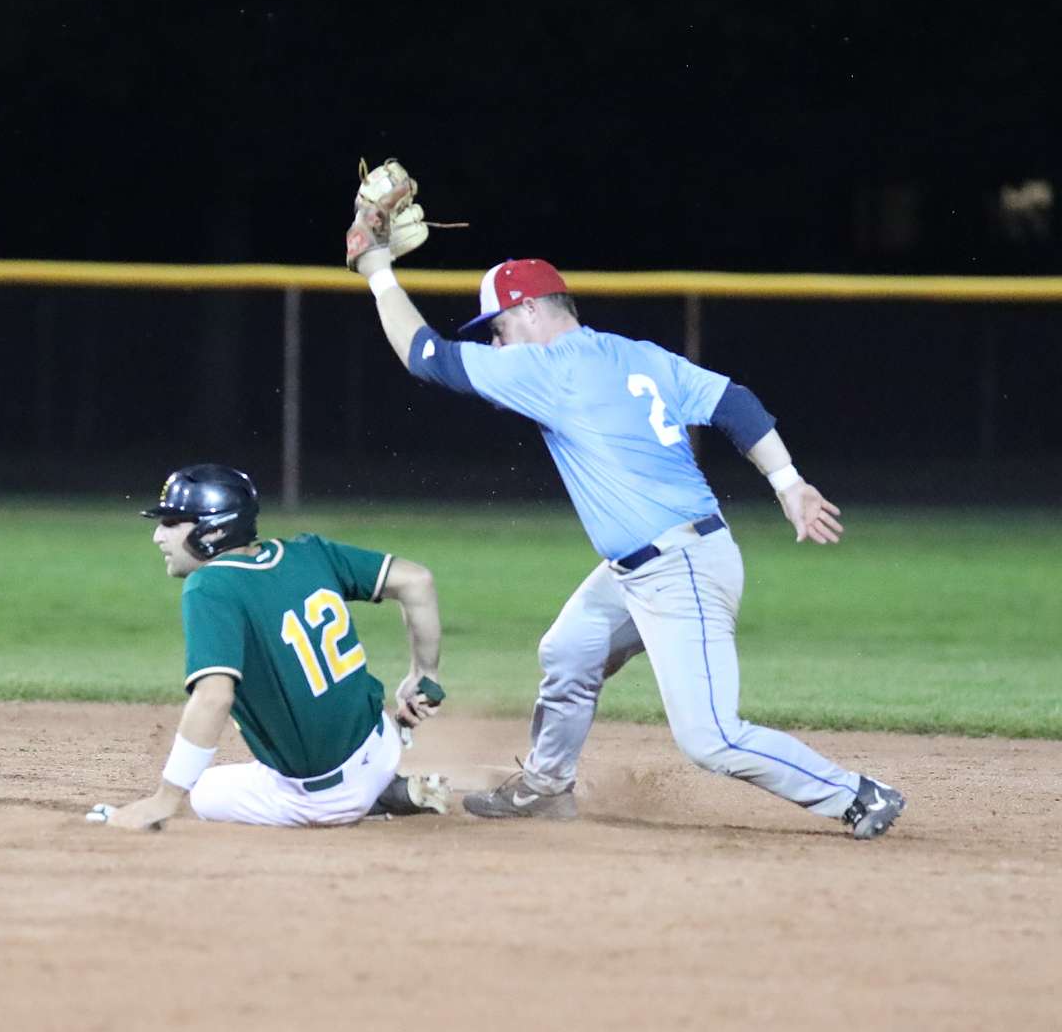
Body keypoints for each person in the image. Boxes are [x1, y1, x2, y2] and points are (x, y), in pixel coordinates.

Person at [344, 183, 905, 839]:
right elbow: (735, 403)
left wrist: (377, 270)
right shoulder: (636, 354)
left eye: (497, 329)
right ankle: (546, 788)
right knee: (569, 651)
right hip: (650, 564)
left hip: (679, 570)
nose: (496, 346)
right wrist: (789, 484)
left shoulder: (547, 367)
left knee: (711, 737)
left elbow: (427, 357)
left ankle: (856, 794)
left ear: (529, 312)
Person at [88, 464, 451, 831]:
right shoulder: (309, 552)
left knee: (205, 792)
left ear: (213, 529)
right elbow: (416, 580)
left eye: (171, 523)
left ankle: (368, 799)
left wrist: (165, 800)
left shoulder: (211, 586)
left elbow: (214, 697)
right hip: (383, 745)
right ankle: (385, 787)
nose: (158, 536)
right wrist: (424, 673)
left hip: (326, 798)